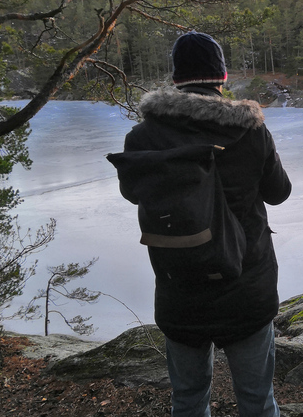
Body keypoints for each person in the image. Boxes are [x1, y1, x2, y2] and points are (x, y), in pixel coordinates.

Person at [119, 31, 291, 417]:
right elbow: (279, 192)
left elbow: (133, 193)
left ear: (176, 78)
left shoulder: (143, 136)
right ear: (222, 77)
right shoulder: (250, 130)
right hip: (246, 285)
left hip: (179, 285)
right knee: (257, 401)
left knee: (189, 400)